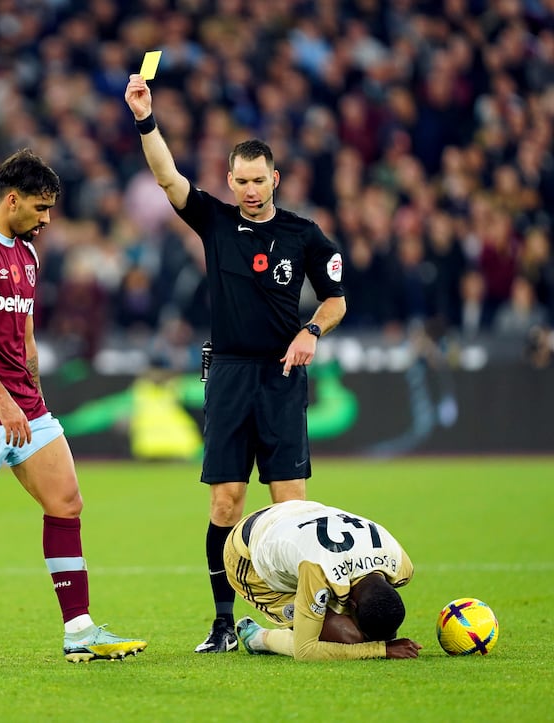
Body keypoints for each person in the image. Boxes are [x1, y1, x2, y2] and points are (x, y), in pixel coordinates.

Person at [125, 75, 347, 653]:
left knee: (291, 506)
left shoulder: (304, 235)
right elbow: (166, 177)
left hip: (280, 376)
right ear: (230, 180)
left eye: (258, 180)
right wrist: (146, 119)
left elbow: (337, 299)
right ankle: (224, 622)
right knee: (226, 501)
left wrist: (311, 331)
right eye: (240, 181)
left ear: (275, 178)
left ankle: (307, 618)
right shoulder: (216, 221)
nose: (249, 190)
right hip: (226, 374)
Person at [0, 148, 147, 665]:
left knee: (66, 501)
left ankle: (80, 630)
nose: (47, 220)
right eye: (41, 209)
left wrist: (33, 394)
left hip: (25, 404)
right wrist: (1, 399)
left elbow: (23, 333)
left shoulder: (28, 253)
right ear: (13, 199)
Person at [224, 499, 422, 661]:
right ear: (350, 605)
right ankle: (257, 638)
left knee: (353, 624)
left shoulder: (399, 562)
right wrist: (380, 649)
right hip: (248, 550)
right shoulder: (318, 569)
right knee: (349, 638)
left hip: (294, 515)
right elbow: (305, 651)